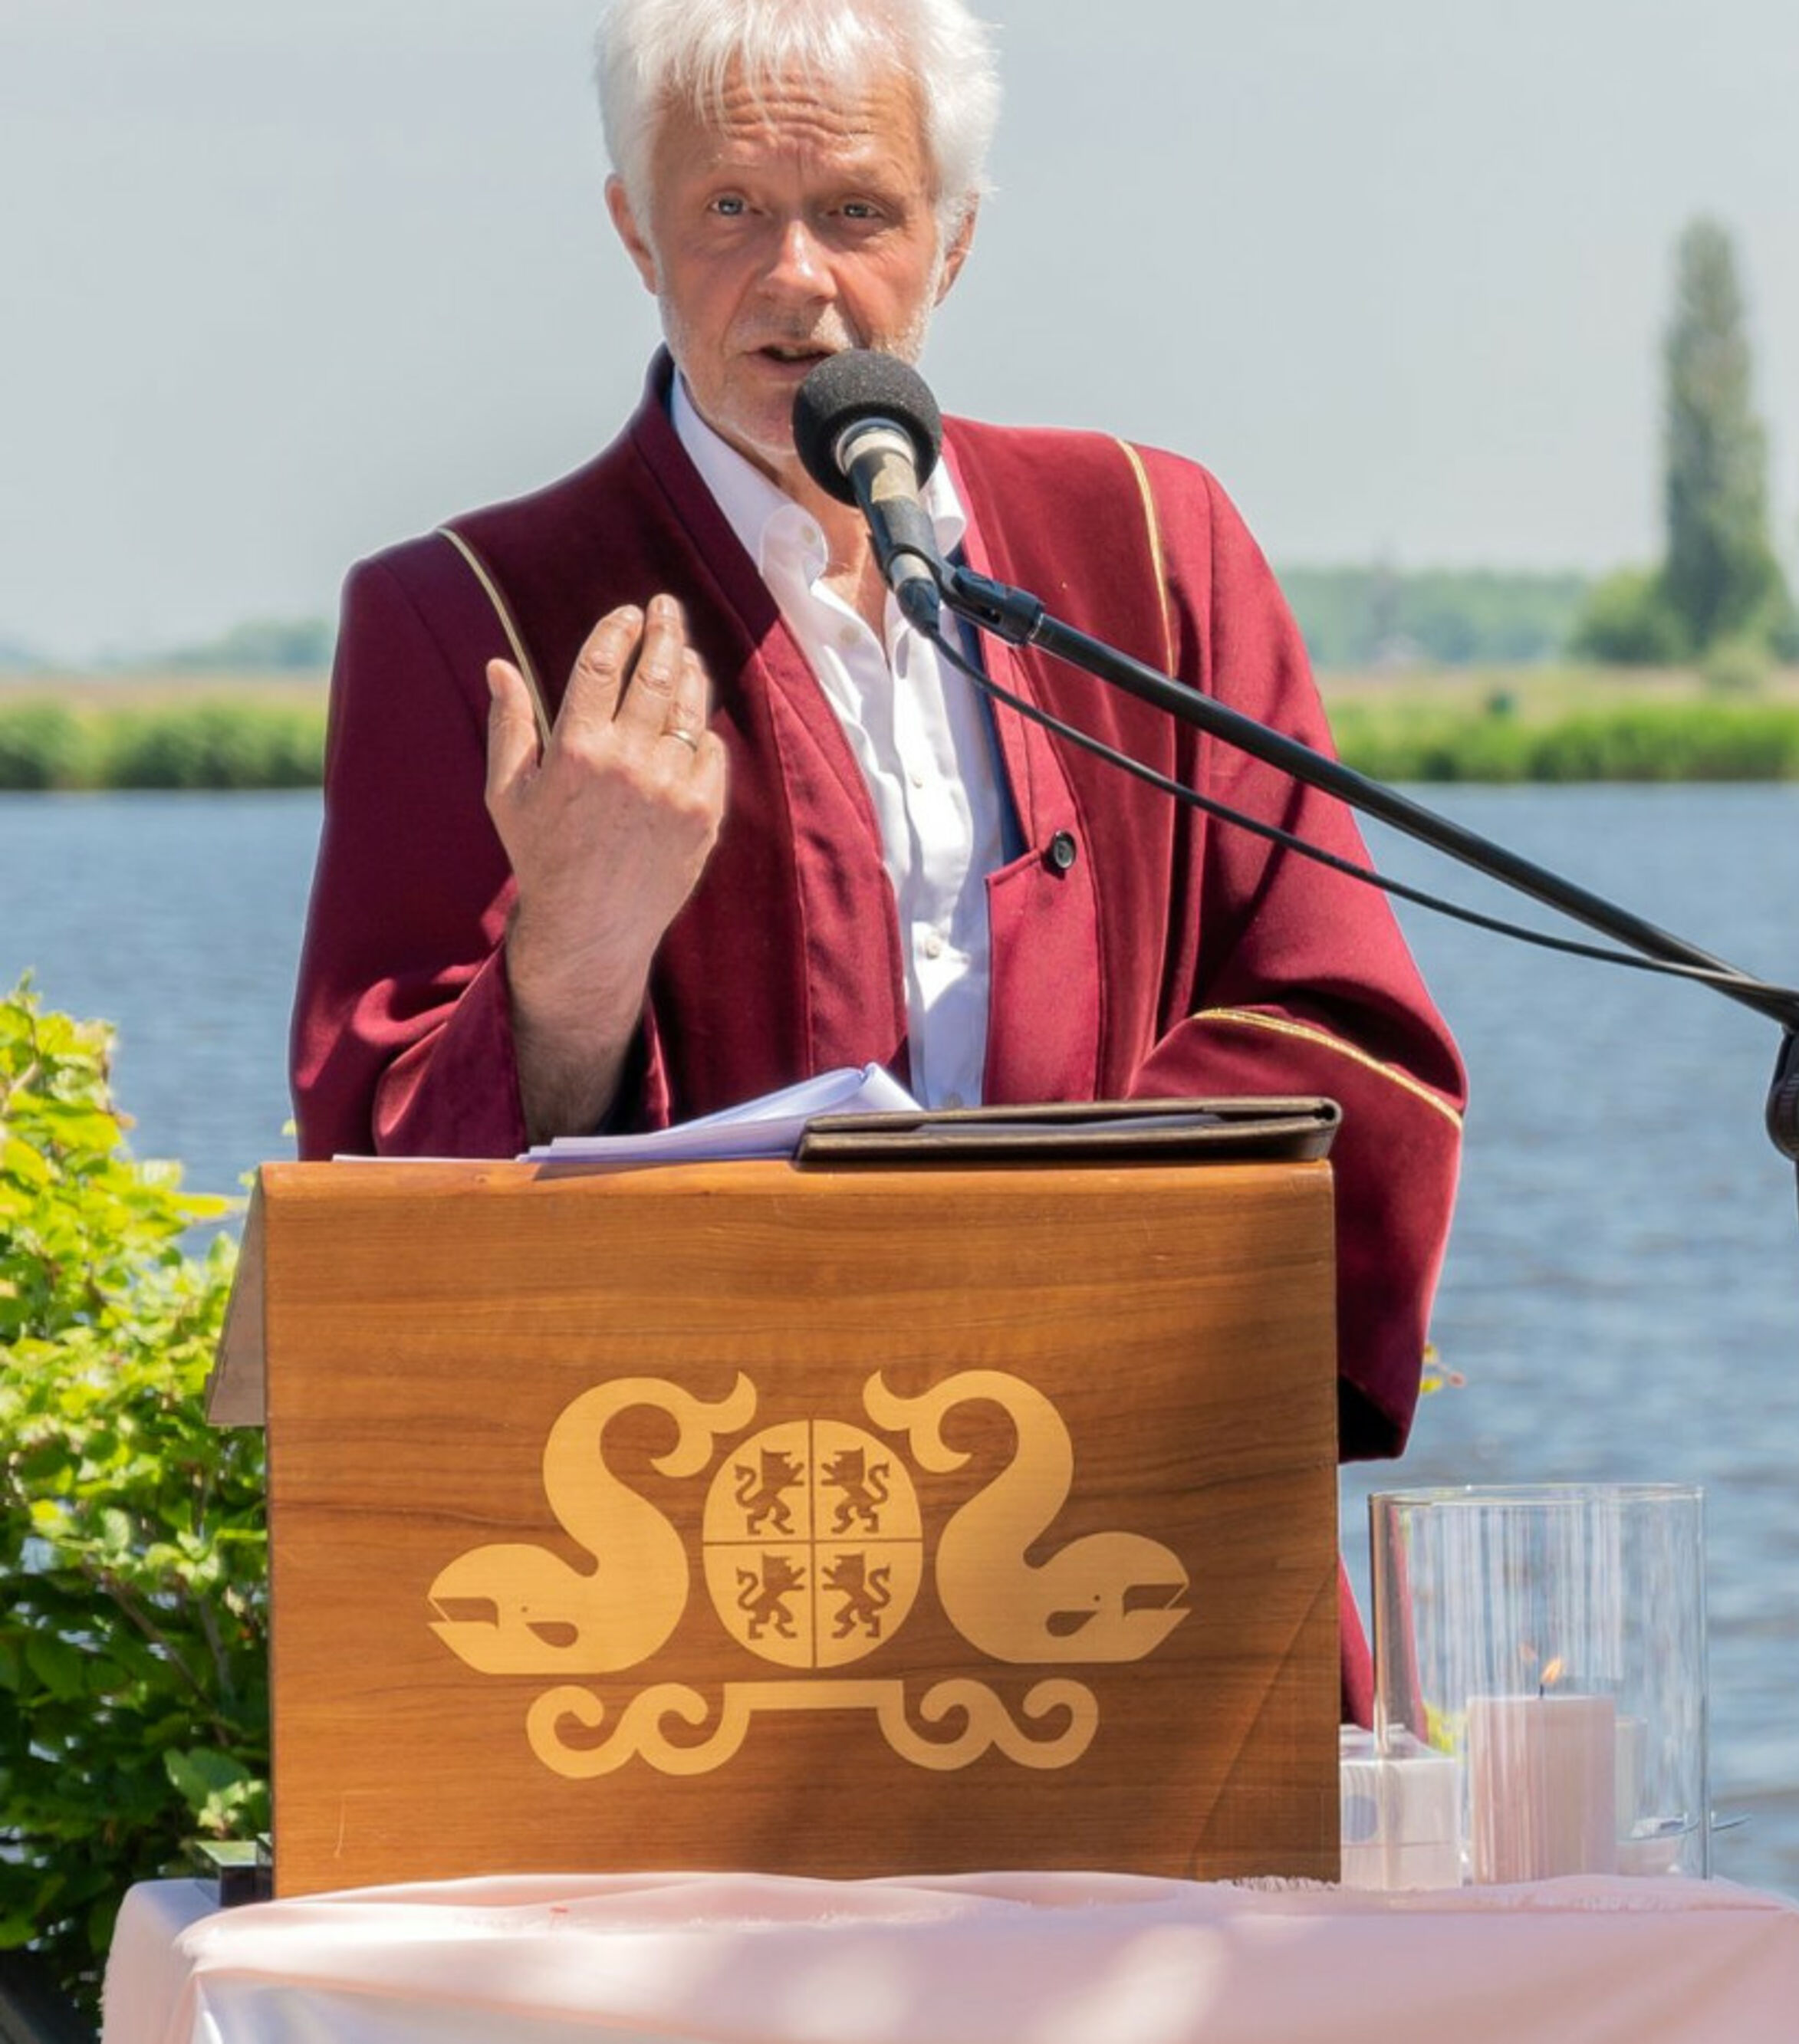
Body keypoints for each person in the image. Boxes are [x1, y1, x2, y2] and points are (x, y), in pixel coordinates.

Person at [288, 0, 1463, 1708]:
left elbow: (1346, 1031)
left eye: (856, 212)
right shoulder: (466, 618)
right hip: (690, 1627)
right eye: (726, 211)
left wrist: (1008, 1286)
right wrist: (576, 963)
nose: (797, 281)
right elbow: (373, 1199)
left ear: (953, 241)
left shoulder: (1150, 547)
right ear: (631, 227)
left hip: (1129, 1542)